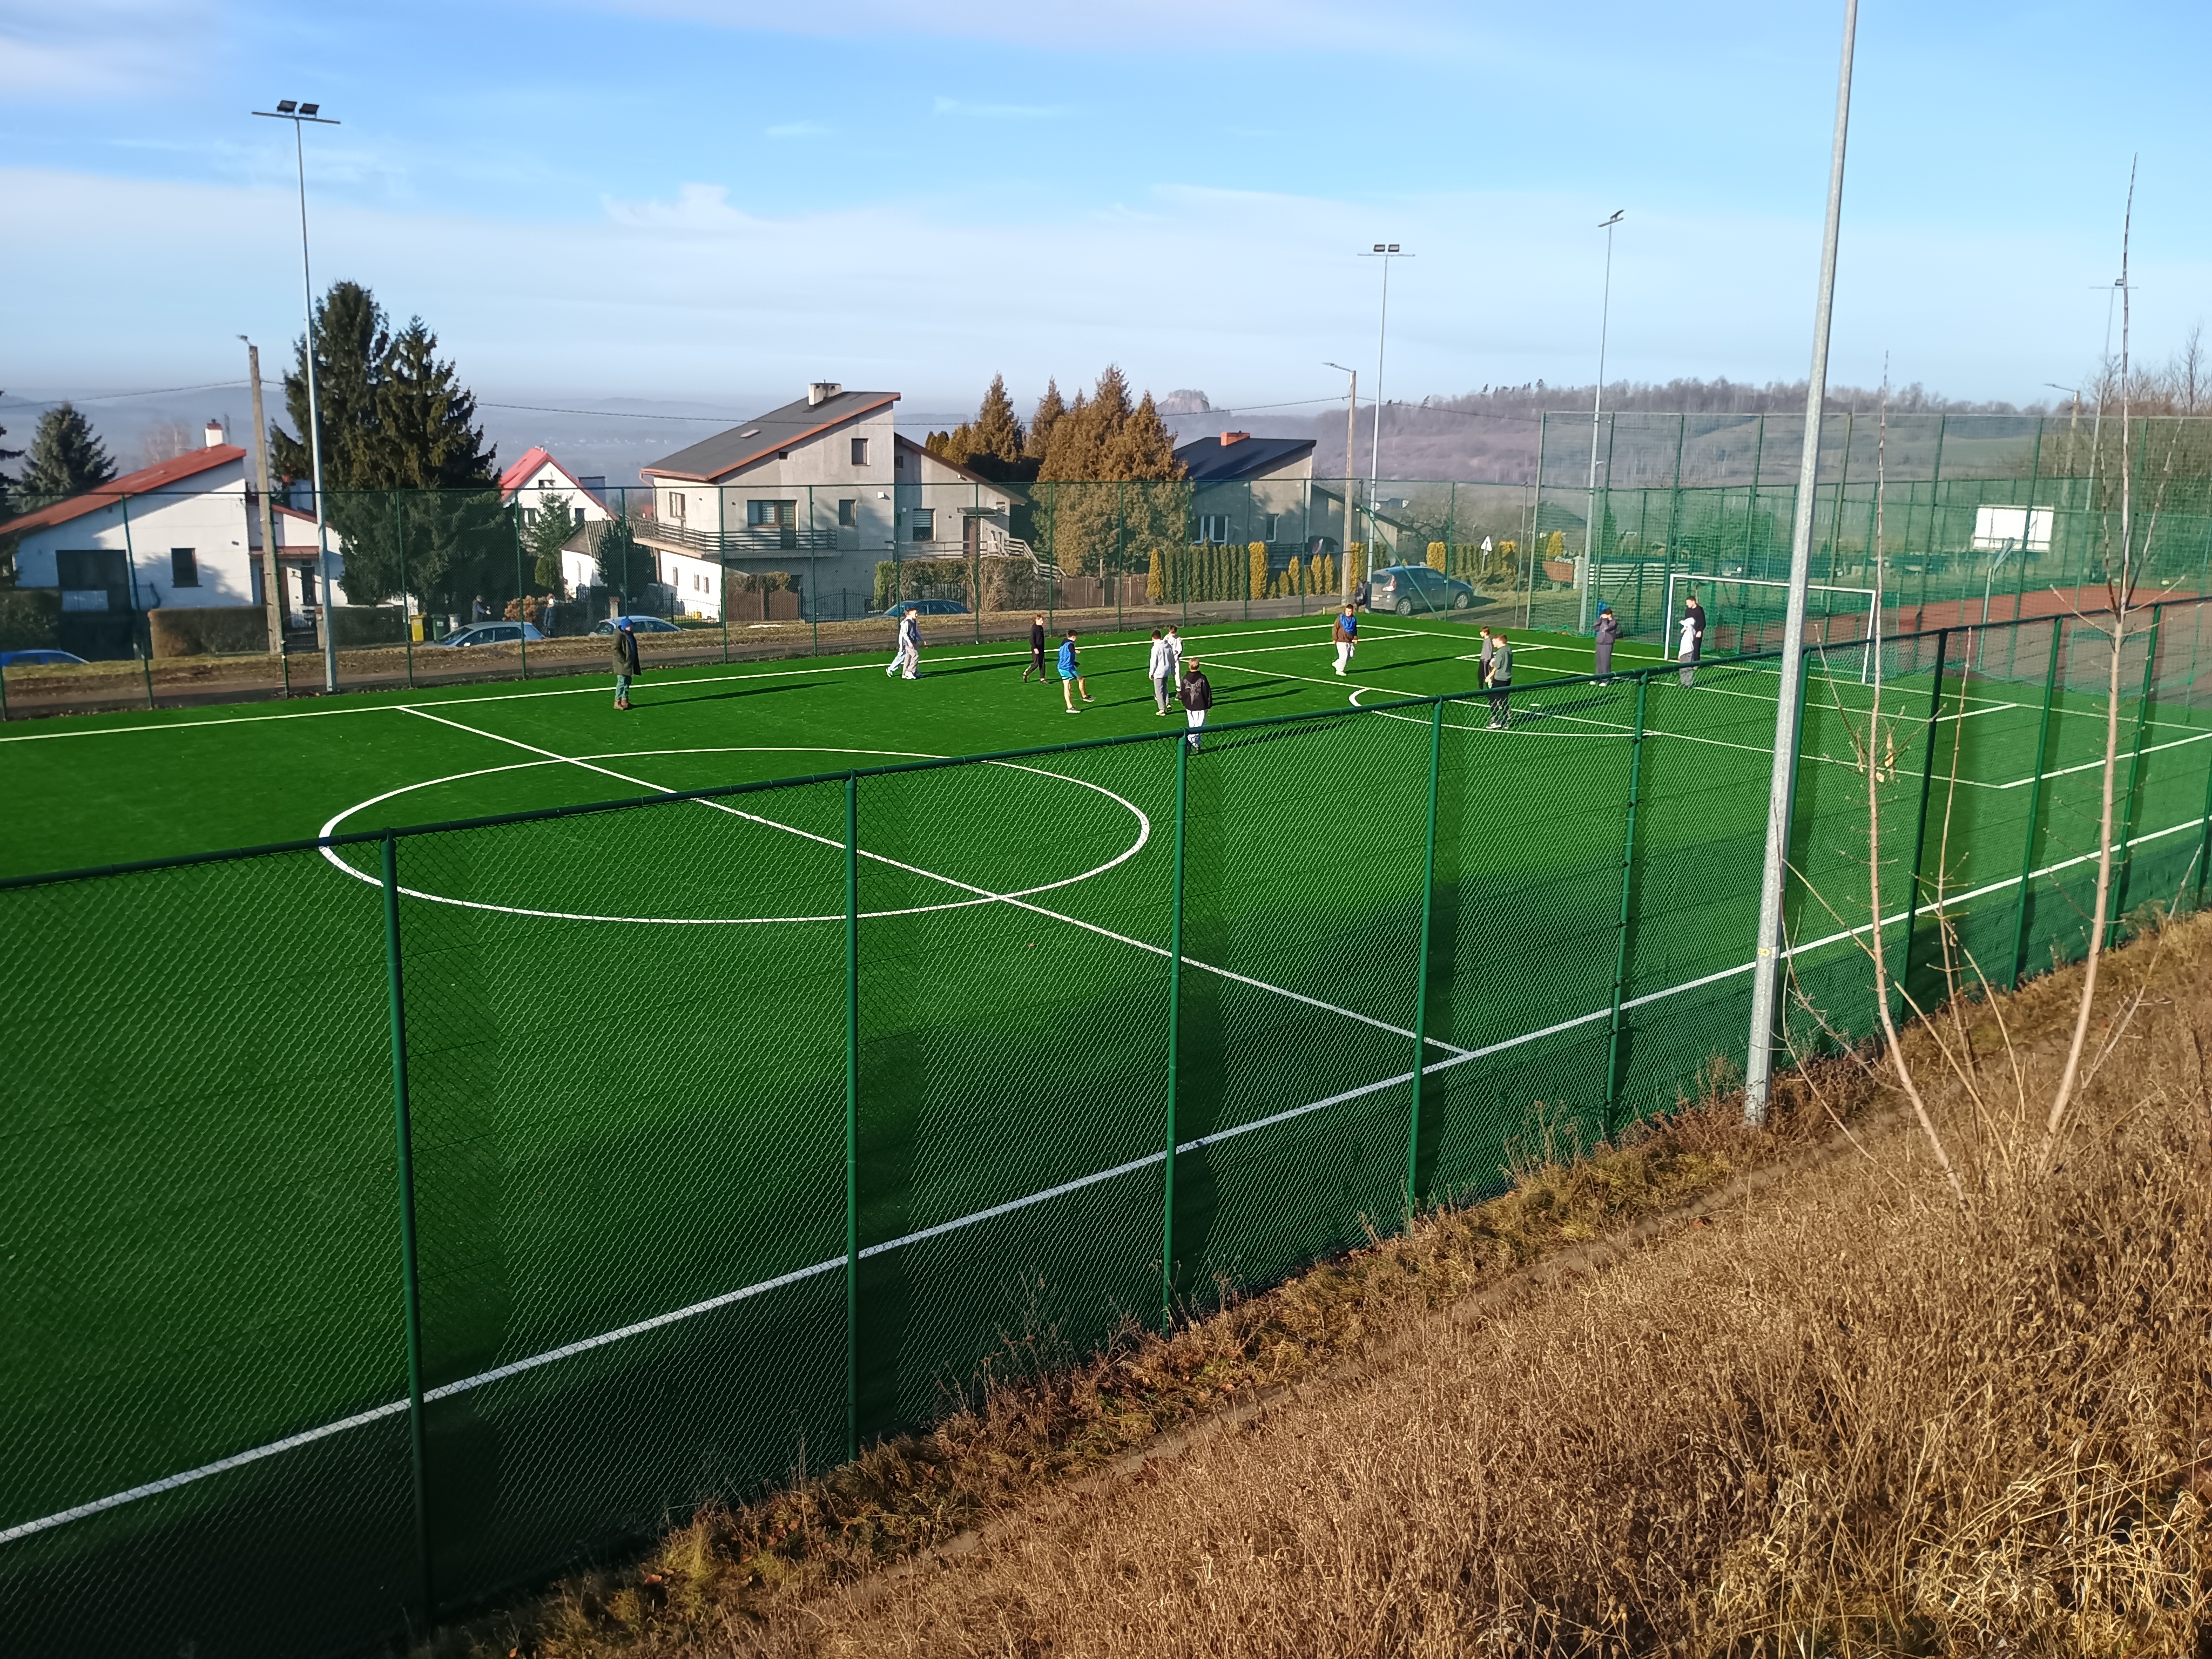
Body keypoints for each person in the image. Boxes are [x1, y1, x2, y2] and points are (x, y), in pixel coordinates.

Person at [1178, 656, 1213, 750]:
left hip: (1189, 706)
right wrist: (1208, 705)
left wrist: (1185, 703)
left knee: (1193, 726)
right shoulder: (1202, 678)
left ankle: (1197, 744)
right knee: (1199, 727)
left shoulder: (1185, 678)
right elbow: (1207, 692)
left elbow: (1183, 693)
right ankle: (1189, 741)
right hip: (1201, 705)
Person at [610, 616, 640, 710]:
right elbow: (615, 649)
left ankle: (625, 701)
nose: (631, 627)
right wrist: (623, 660)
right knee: (621, 683)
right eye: (629, 626)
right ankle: (617, 702)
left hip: (629, 664)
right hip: (622, 665)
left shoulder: (630, 634)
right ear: (625, 626)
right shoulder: (619, 635)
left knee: (627, 682)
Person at [1485, 630, 1513, 729]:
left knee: (1493, 700)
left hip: (1500, 679)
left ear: (1500, 641)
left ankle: (1496, 721)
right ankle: (1505, 721)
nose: (1493, 643)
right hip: (1508, 679)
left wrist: (1492, 662)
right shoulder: (1509, 650)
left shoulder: (1500, 652)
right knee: (1504, 700)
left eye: (1494, 641)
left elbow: (1498, 665)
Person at [1057, 630, 1090, 712]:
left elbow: (1065, 655)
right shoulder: (1070, 644)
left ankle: (1070, 707)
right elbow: (1071, 650)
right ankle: (1085, 697)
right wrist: (1075, 651)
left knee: (1067, 687)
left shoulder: (1063, 643)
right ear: (1073, 637)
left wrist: (1074, 663)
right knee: (1081, 679)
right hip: (1067, 668)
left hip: (1061, 668)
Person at [1148, 628, 1178, 715]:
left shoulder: (1155, 648)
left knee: (1159, 691)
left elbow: (1154, 662)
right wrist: (1173, 669)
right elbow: (1172, 658)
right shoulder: (1168, 645)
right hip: (1167, 670)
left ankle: (1162, 709)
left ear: (1153, 638)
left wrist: (1151, 673)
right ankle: (1168, 703)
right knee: (1164, 687)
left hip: (1158, 672)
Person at [1593, 603, 1620, 683]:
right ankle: (1597, 678)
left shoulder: (1613, 623)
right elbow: (1596, 628)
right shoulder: (1603, 621)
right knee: (1599, 662)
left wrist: (1605, 620)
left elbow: (1607, 628)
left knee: (1605, 662)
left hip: (1607, 644)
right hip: (1600, 643)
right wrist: (1600, 620)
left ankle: (1606, 680)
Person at [1022, 613, 1049, 682]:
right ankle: (1026, 673)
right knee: (1036, 663)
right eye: (1041, 621)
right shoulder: (1034, 629)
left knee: (1042, 663)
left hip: (1041, 648)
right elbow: (1031, 639)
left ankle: (1042, 678)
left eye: (1043, 621)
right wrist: (1035, 648)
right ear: (1037, 620)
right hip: (1036, 649)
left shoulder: (1041, 628)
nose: (1042, 622)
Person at [1332, 604, 1358, 676]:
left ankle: (1337, 663)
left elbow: (1354, 629)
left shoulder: (1354, 620)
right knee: (1344, 656)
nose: (1348, 613)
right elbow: (1335, 628)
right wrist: (1335, 639)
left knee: (1351, 655)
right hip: (1341, 641)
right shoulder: (1340, 619)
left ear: (1352, 612)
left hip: (1349, 641)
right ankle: (1340, 671)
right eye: (1347, 611)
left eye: (1350, 611)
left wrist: (1356, 638)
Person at [898, 606, 923, 679]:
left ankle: (905, 673)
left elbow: (916, 632)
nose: (917, 615)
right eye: (915, 614)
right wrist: (909, 642)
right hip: (909, 643)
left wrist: (922, 639)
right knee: (915, 656)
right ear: (910, 614)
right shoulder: (907, 623)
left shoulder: (915, 622)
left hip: (913, 641)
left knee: (908, 658)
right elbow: (904, 634)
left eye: (917, 613)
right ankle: (910, 671)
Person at [1677, 606, 1699, 688]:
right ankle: (1683, 682)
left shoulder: (1691, 631)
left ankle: (1688, 684)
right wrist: (1680, 654)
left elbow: (1688, 624)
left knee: (1688, 668)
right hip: (1684, 652)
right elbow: (1682, 645)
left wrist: (1682, 622)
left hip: (1688, 652)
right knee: (1682, 668)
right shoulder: (1686, 633)